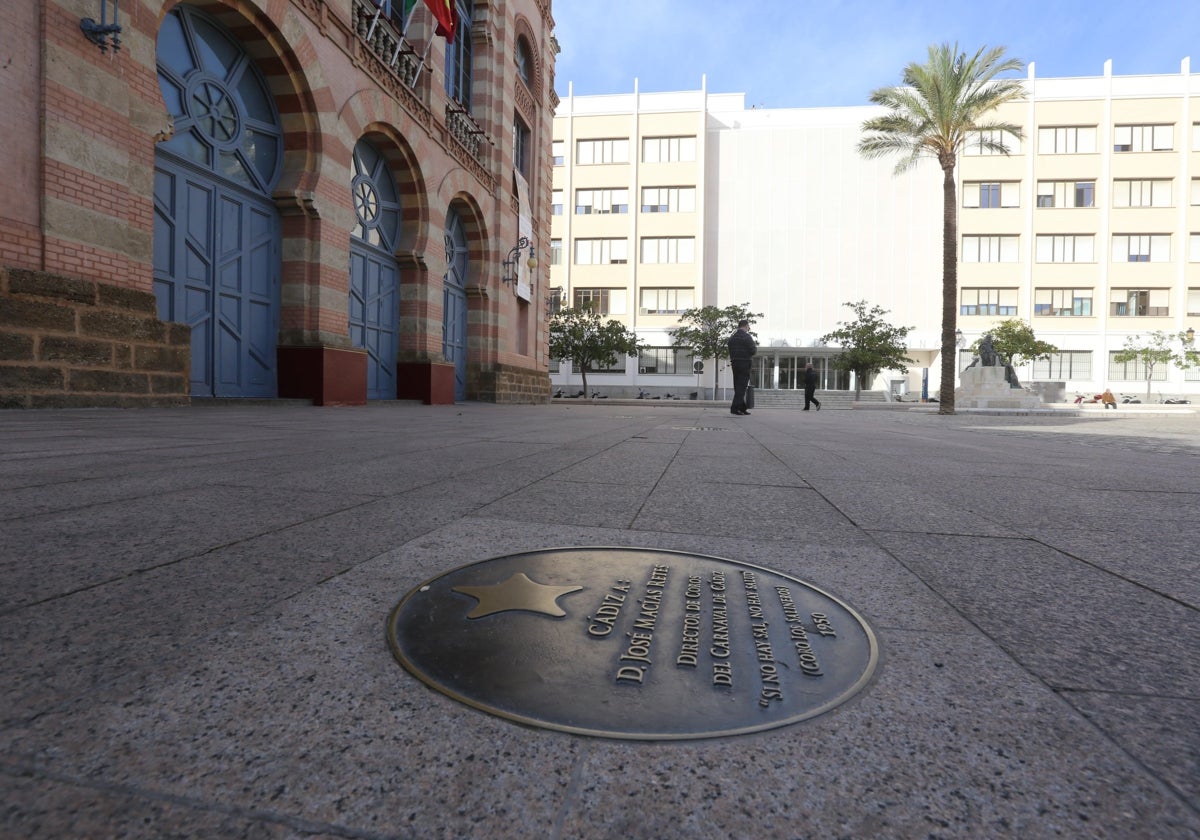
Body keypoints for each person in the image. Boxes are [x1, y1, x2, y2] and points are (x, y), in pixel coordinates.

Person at [727, 319, 757, 415]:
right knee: (742, 386)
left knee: (737, 386)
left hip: (735, 363)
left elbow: (729, 348)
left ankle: (742, 407)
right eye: (748, 326)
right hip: (744, 363)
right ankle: (734, 408)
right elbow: (753, 350)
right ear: (745, 326)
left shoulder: (732, 338)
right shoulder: (747, 337)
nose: (749, 328)